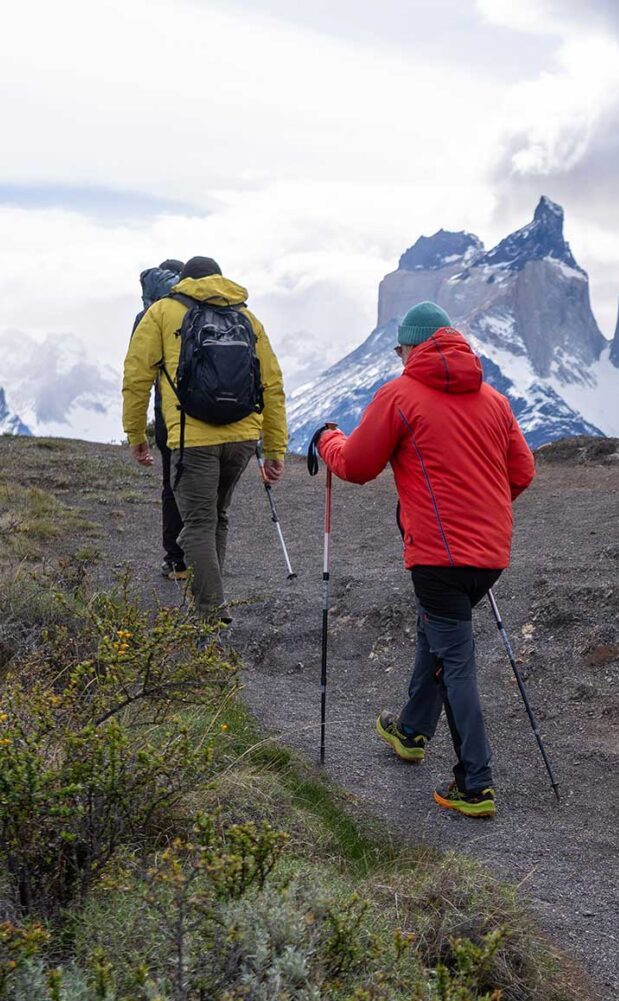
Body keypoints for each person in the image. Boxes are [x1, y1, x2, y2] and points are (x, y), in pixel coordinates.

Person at [314, 301, 536, 819]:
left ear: (414, 347)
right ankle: (412, 732)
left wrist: (327, 439)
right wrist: (482, 512)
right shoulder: (495, 401)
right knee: (435, 634)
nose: (397, 357)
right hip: (490, 555)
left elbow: (356, 465)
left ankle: (475, 783)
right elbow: (521, 472)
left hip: (438, 557)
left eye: (399, 349)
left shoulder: (399, 396)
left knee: (455, 657)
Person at [122, 256, 287, 619]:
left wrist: (136, 434)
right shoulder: (247, 317)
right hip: (242, 436)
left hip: (191, 438)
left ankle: (211, 612)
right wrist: (274, 448)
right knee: (218, 515)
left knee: (197, 524)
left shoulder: (163, 312)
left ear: (183, 280)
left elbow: (136, 378)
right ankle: (212, 597)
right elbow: (272, 385)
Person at [135, 259, 187, 580]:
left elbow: (139, 375)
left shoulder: (149, 315)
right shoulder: (201, 308)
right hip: (210, 413)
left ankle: (176, 559)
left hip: (168, 415)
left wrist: (137, 432)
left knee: (172, 484)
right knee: (204, 486)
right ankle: (208, 556)